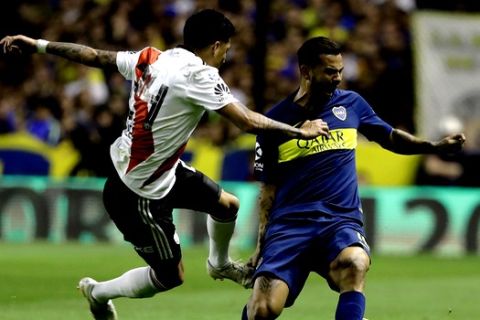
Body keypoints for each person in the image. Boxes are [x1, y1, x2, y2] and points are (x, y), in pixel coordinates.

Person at [1, 9, 329, 320]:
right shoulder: (199, 74)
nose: (225, 57)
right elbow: (246, 121)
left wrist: (40, 45)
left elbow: (93, 55)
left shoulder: (151, 57)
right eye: (225, 49)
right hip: (139, 194)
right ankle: (98, 293)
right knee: (171, 276)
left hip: (160, 171)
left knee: (228, 205)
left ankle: (219, 264)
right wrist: (299, 131)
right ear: (215, 46)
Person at [243, 36, 466, 320]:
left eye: (340, 71)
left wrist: (432, 146)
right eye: (330, 71)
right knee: (263, 309)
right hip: (290, 226)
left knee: (356, 263)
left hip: (339, 221)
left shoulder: (352, 104)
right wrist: (261, 246)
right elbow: (268, 191)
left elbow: (390, 137)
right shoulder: (275, 121)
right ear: (306, 71)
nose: (337, 78)